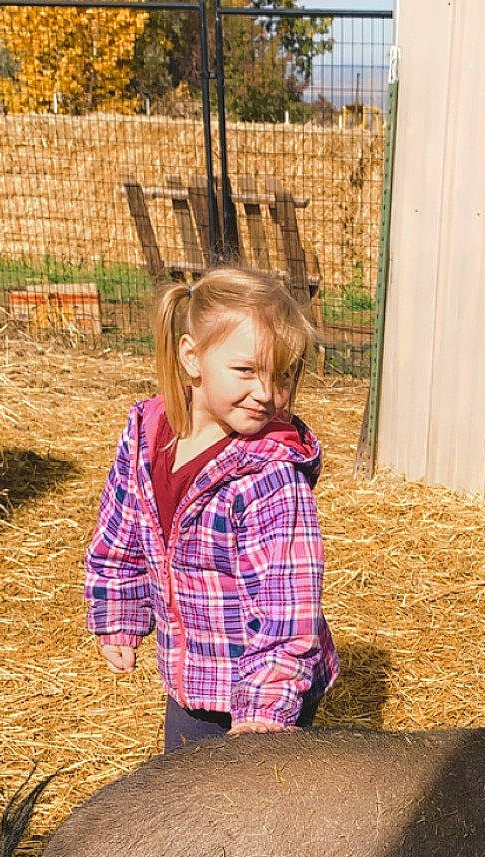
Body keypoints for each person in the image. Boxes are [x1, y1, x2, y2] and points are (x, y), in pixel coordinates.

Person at [84, 264, 339, 750]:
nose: (267, 393)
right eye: (246, 370)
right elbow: (120, 536)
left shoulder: (271, 476)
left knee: (254, 812)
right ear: (191, 357)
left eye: (282, 376)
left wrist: (264, 712)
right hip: (194, 678)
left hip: (263, 690)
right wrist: (118, 612)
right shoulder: (146, 435)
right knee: (185, 793)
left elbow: (291, 608)